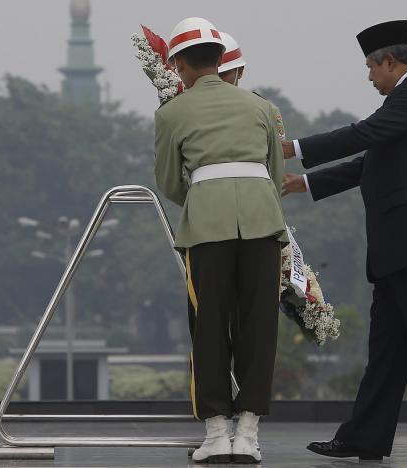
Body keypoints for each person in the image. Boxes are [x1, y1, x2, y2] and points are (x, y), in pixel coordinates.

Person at [282, 20, 407, 462]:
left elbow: (362, 134)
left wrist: (293, 147)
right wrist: (305, 184)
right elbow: (371, 162)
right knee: (388, 354)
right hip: (404, 249)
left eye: (371, 68)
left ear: (390, 62)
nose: (370, 77)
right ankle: (365, 437)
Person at [154, 17, 288, 464]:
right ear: (220, 60)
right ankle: (248, 431)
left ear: (178, 66)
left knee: (208, 325)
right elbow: (275, 172)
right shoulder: (260, 108)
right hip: (261, 219)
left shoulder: (171, 112)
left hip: (207, 225)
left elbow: (171, 182)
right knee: (259, 324)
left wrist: (206, 195)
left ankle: (216, 431)